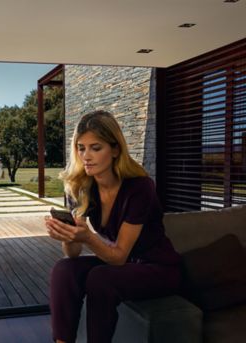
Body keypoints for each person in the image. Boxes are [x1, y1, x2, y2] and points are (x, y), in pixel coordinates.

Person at [45, 110, 181, 343]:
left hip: (159, 268)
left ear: (115, 150)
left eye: (96, 148)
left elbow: (118, 257)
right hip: (124, 264)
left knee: (100, 278)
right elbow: (73, 254)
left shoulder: (140, 187)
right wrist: (68, 235)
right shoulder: (82, 186)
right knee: (63, 269)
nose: (86, 156)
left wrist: (88, 237)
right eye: (81, 148)